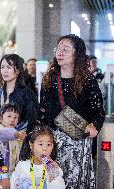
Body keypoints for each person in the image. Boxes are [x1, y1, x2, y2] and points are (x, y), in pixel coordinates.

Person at [39, 34, 105, 188]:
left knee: (76, 182)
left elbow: (98, 111)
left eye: (66, 49)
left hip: (78, 142)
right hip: (52, 142)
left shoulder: (87, 80)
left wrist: (94, 126)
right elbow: (42, 111)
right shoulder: (49, 80)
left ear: (77, 54)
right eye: (58, 49)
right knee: (54, 182)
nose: (60, 53)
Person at [0, 54, 38, 133]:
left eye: (9, 67)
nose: (4, 71)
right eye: (2, 67)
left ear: (17, 71)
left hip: (20, 138)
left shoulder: (27, 93)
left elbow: (31, 120)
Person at [0, 103, 27, 188]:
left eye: (15, 117)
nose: (12, 120)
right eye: (9, 116)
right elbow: (5, 133)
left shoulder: (16, 135)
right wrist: (17, 134)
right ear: (0, 118)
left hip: (11, 173)